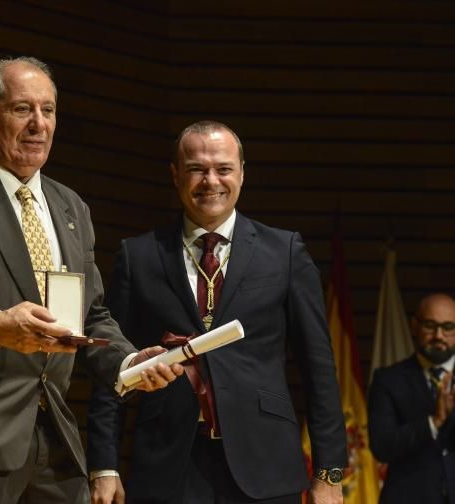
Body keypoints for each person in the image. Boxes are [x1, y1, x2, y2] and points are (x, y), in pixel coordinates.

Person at [0, 56, 184, 504]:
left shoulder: (71, 208)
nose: (38, 124)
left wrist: (127, 363)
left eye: (48, 110)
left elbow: (90, 313)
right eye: (22, 109)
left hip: (55, 445)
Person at [86, 121, 347, 504]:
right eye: (196, 169)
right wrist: (104, 466)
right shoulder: (138, 256)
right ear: (175, 175)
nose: (211, 181)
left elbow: (319, 367)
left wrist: (329, 473)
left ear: (242, 173)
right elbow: (113, 365)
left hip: (266, 466)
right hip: (167, 464)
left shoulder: (285, 252)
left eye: (223, 168)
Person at [368, 292, 455, 503]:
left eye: (448, 327)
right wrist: (433, 423)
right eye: (430, 325)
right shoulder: (387, 380)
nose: (439, 336)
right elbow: (382, 446)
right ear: (414, 326)